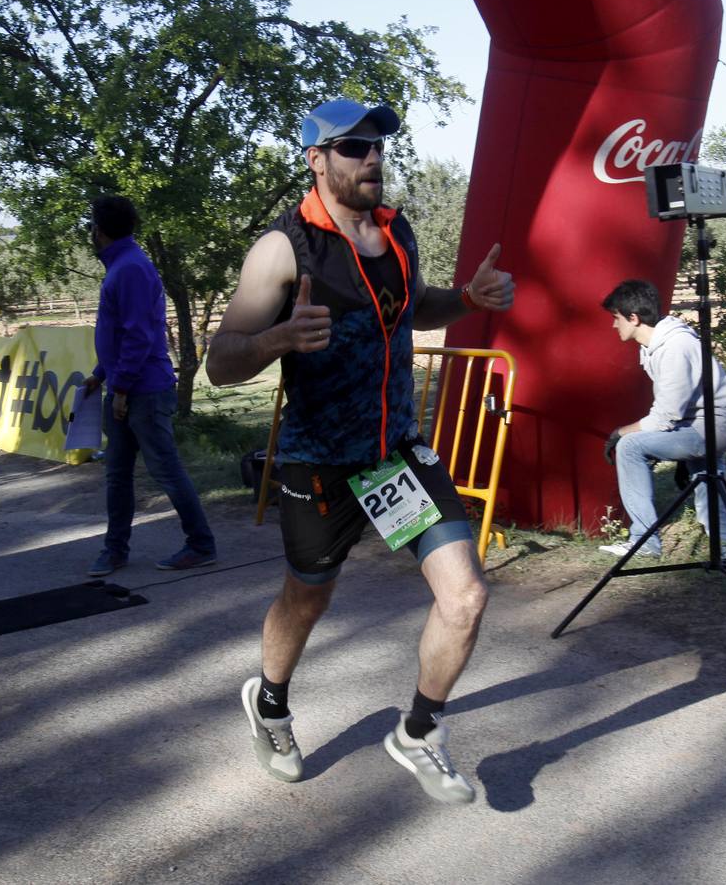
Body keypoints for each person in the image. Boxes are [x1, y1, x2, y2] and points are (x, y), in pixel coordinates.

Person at [205, 99, 515, 803]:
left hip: (395, 457)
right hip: (319, 460)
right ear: (316, 160)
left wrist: (467, 298)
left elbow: (413, 309)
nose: (371, 157)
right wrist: (278, 340)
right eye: (352, 147)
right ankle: (271, 703)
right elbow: (220, 363)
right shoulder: (283, 249)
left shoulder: (395, 230)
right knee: (306, 599)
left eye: (377, 145)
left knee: (465, 597)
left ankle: (418, 732)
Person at [83, 194, 217, 577]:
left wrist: (121, 390)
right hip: (126, 387)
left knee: (166, 470)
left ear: (100, 230)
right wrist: (101, 374)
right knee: (117, 473)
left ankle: (201, 544)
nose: (90, 232)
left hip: (143, 391)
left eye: (92, 226)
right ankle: (115, 549)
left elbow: (140, 336)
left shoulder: (129, 269)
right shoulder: (123, 266)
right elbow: (119, 334)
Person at [599, 278, 726, 559]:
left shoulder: (675, 346)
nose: (613, 325)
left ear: (634, 318)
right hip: (700, 425)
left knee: (630, 447)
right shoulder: (654, 344)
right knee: (707, 487)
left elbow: (667, 414)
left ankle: (644, 542)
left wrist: (621, 433)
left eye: (616, 318)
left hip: (712, 427)